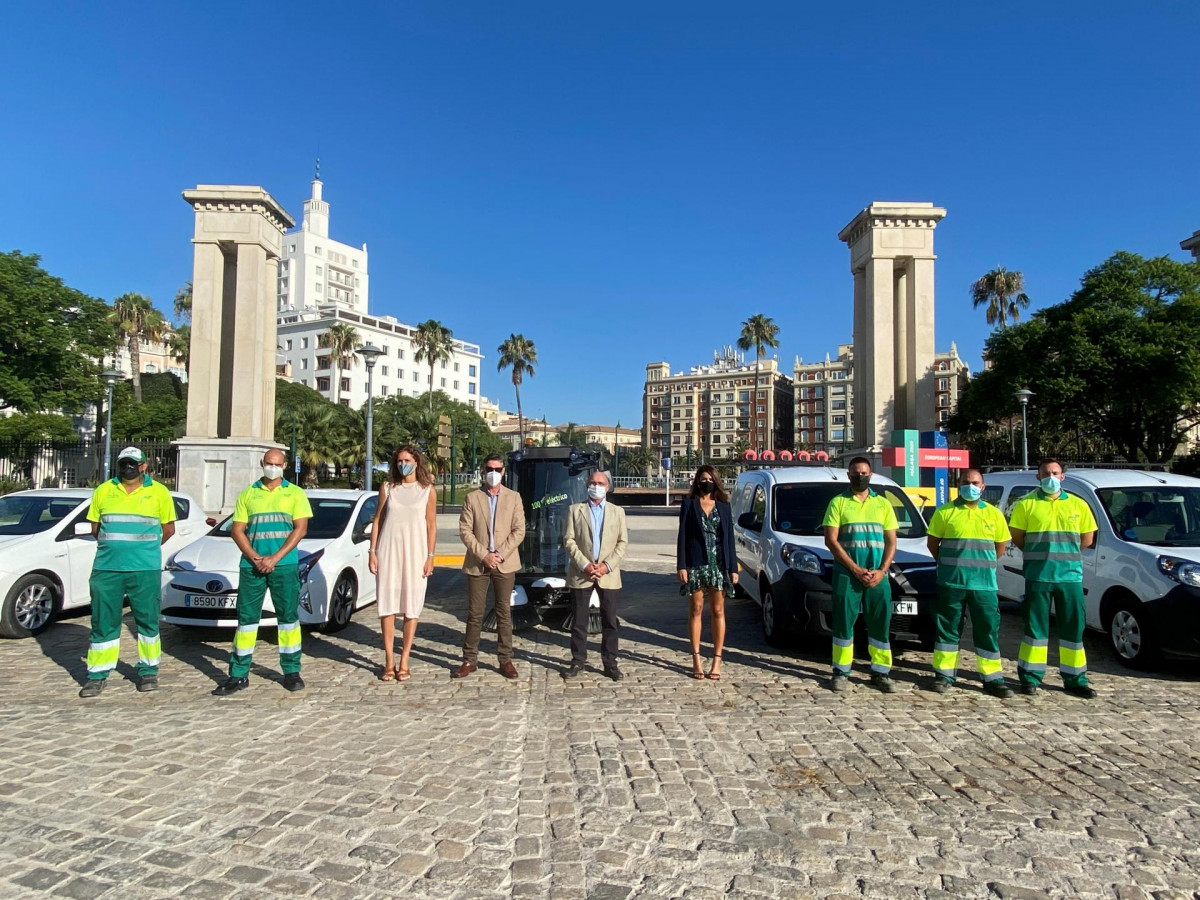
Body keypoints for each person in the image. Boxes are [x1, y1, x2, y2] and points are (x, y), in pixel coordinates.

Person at [213, 449, 312, 696]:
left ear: (285, 465)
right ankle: (238, 674)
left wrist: (275, 558)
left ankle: (291, 671)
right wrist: (256, 558)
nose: (273, 467)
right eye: (269, 463)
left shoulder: (296, 493)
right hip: (252, 567)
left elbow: (300, 529)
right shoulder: (248, 493)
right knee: (246, 622)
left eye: (277, 464)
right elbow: (237, 530)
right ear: (262, 463)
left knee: (287, 619)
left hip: (284, 565)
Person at [79, 447, 176, 698]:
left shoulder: (159, 492)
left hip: (144, 569)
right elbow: (96, 528)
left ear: (144, 466)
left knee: (146, 621)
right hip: (107, 568)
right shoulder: (104, 490)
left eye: (134, 463)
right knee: (103, 621)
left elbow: (168, 529)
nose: (129, 467)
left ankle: (148, 671)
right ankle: (97, 674)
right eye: (125, 463)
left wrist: (144, 549)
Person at [1009, 459, 1099, 698]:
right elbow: (1017, 537)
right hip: (1038, 576)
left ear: (1063, 477)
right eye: (1046, 473)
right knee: (1035, 630)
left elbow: (1087, 539)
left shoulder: (1079, 505)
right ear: (1038, 477)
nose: (1050, 476)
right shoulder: (1025, 505)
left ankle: (1075, 679)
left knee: (1073, 630)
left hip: (1069, 578)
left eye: (1055, 473)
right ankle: (1030, 677)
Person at [925, 469, 1014, 698]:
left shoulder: (994, 514)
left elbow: (1000, 546)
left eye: (975, 482)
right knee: (947, 630)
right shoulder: (944, 512)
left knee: (987, 631)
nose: (970, 486)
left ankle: (992, 678)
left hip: (984, 585)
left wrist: (983, 565)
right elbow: (933, 544)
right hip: (951, 583)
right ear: (958, 485)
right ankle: (944, 675)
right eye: (966, 482)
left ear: (983, 487)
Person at [822, 456, 898, 692]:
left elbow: (891, 541)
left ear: (871, 475)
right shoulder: (838, 503)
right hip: (847, 574)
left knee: (880, 624)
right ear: (848, 475)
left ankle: (881, 672)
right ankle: (841, 671)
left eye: (864, 473)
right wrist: (854, 568)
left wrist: (882, 570)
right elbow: (830, 540)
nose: (860, 477)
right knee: (844, 623)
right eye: (855, 473)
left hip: (878, 575)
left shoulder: (883, 504)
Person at [368, 444, 436, 682]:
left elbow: (431, 525)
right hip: (389, 551)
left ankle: (405, 659)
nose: (402, 464)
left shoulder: (426, 490)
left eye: (407, 460)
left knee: (411, 606)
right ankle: (388, 661)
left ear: (417, 462)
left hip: (416, 553)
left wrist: (430, 556)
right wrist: (372, 551)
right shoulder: (388, 488)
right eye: (399, 461)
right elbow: (378, 520)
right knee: (387, 607)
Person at [456, 453, 525, 679]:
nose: (493, 473)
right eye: (489, 469)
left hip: (505, 563)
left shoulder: (514, 498)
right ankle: (469, 659)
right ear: (483, 471)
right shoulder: (472, 498)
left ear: (504, 472)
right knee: (475, 613)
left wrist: (500, 554)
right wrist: (484, 555)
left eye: (497, 469)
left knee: (504, 612)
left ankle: (505, 659)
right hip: (478, 563)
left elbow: (519, 531)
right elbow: (465, 531)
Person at [562, 470, 629, 681]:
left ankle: (610, 663)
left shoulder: (618, 512)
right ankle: (578, 661)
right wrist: (584, 564)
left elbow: (622, 542)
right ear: (587, 485)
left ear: (607, 487)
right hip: (582, 573)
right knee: (579, 621)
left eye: (600, 483)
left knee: (610, 621)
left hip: (608, 574)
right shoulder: (575, 510)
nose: (596, 486)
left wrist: (606, 566)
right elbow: (569, 541)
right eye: (592, 482)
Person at [676, 466, 738, 680]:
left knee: (718, 610)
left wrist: (733, 568)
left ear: (716, 482)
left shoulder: (724, 507)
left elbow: (729, 538)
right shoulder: (688, 505)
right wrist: (681, 565)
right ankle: (696, 658)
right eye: (703, 479)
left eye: (710, 479)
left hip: (719, 564)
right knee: (696, 609)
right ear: (697, 481)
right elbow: (682, 536)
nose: (707, 482)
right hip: (696, 563)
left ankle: (717, 659)